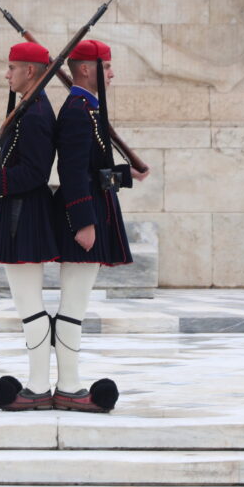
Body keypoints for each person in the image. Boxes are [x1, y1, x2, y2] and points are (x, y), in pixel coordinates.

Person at [50, 39, 148, 413]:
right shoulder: (78, 110)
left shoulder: (88, 108)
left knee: (77, 303)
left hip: (91, 209)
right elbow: (72, 172)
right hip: (83, 217)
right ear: (86, 69)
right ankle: (69, 387)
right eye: (106, 66)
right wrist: (84, 223)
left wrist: (127, 174)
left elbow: (93, 169)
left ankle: (65, 382)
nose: (112, 73)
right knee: (73, 305)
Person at [0, 41, 60, 411]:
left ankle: (37, 387)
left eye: (12, 68)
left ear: (30, 71)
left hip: (24, 214)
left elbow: (34, 173)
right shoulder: (30, 108)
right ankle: (40, 383)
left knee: (29, 305)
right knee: (27, 303)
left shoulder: (35, 114)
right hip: (18, 212)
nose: (7, 74)